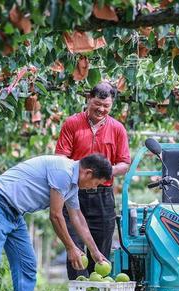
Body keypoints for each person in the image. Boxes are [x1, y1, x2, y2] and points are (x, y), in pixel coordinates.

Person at [0, 154, 112, 291]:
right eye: (96, 183)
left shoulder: (72, 186)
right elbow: (56, 215)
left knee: (27, 264)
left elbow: (77, 218)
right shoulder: (63, 171)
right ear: (87, 173)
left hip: (15, 212)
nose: (93, 188)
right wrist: (71, 247)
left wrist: (95, 252)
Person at [55, 81, 131, 280]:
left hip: (103, 196)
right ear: (89, 99)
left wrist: (103, 173)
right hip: (74, 192)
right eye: (97, 104)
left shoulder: (117, 129)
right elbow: (61, 157)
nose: (101, 109)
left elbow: (124, 163)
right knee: (76, 251)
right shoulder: (72, 123)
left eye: (106, 106)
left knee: (101, 252)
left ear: (112, 105)